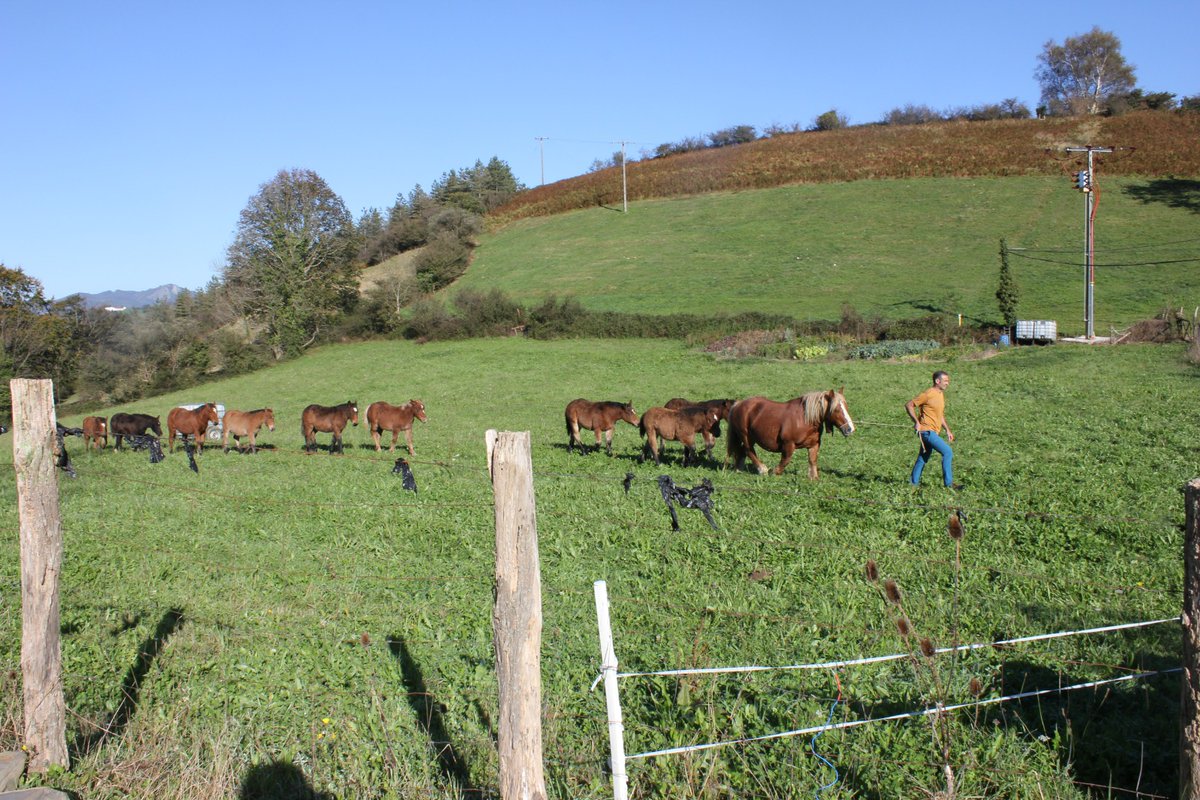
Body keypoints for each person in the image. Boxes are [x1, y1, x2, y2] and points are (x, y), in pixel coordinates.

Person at [905, 370, 958, 489]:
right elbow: (909, 405)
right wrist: (916, 422)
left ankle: (913, 484)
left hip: (932, 431)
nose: (947, 383)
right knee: (947, 452)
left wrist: (947, 430)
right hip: (926, 432)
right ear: (937, 381)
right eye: (945, 381)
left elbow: (940, 414)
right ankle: (949, 485)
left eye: (948, 381)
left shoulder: (940, 394)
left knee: (923, 457)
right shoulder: (928, 394)